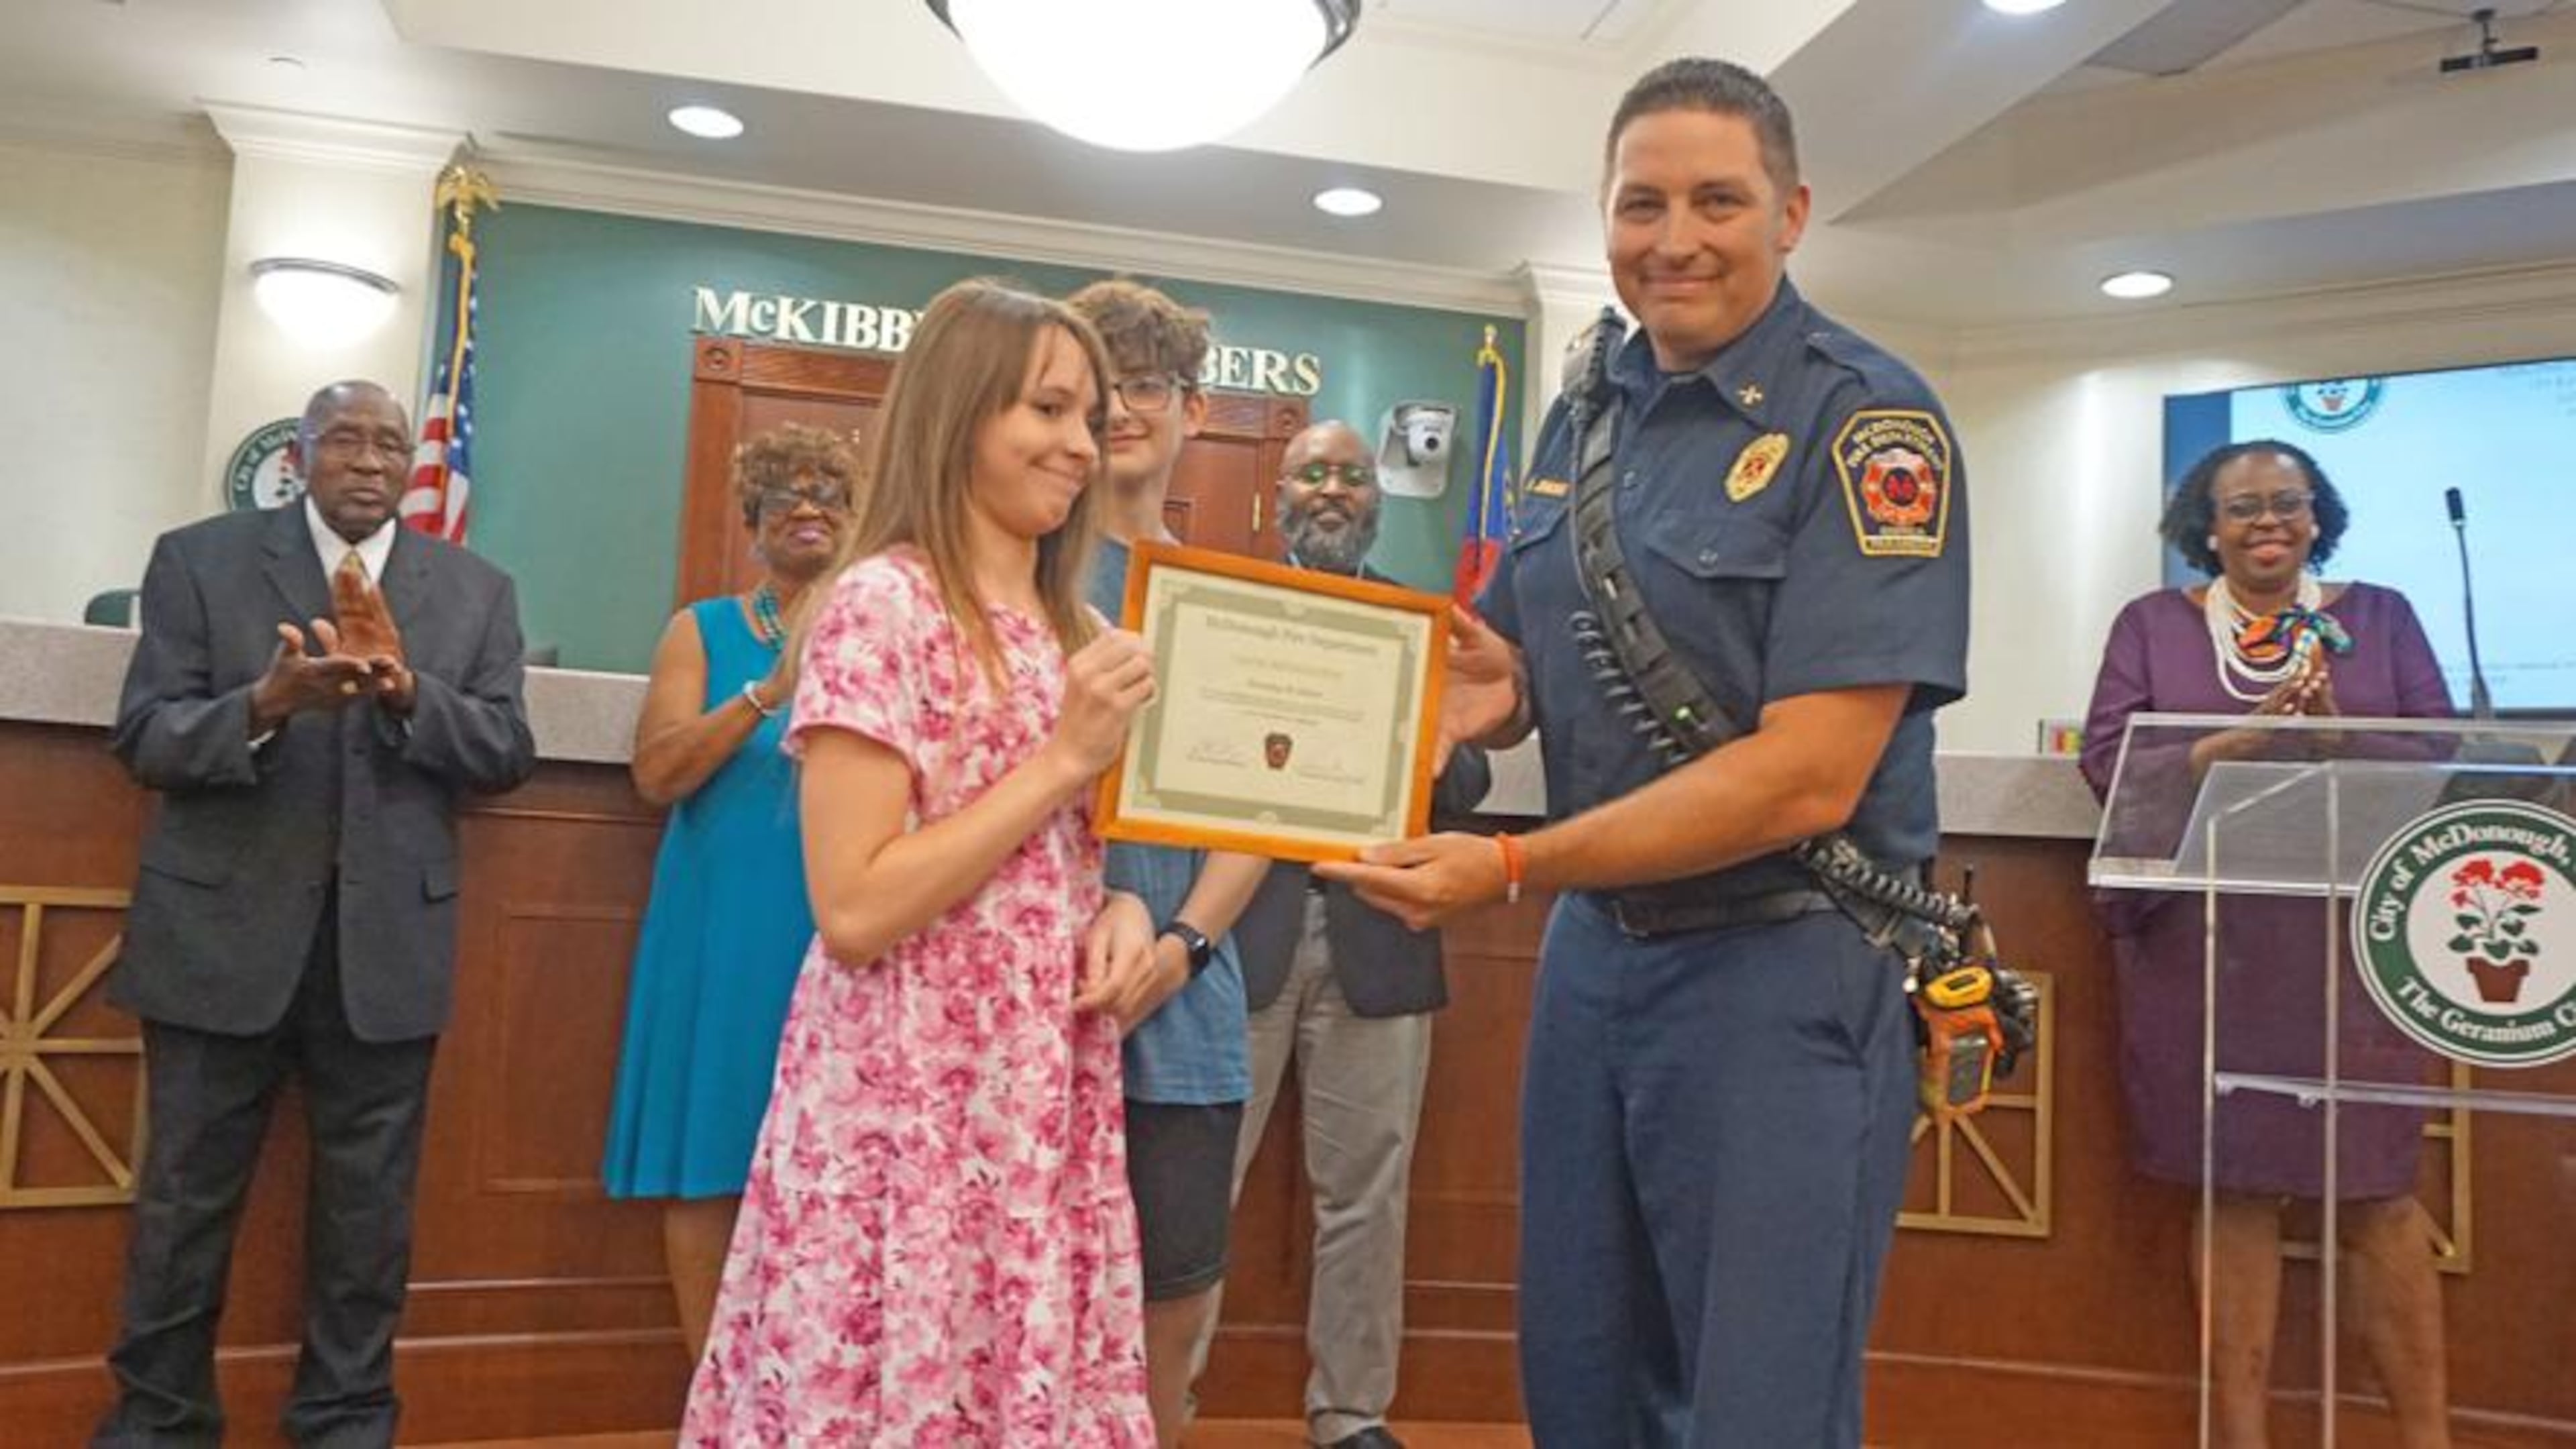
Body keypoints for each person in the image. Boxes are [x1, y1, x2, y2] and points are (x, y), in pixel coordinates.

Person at [1320, 58, 1971, 1447]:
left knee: (1757, 1407)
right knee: (1582, 1379)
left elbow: (1807, 773)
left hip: (1784, 967)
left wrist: (1513, 862)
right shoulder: (1585, 415)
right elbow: (1533, 664)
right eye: (1642, 203)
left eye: (1717, 201)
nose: (1674, 238)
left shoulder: (1868, 424)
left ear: (1791, 213)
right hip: (1600, 964)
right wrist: (1501, 690)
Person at [681, 279, 1168, 1446]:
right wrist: (1062, 759)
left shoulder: (1079, 632)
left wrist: (1122, 912)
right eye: (1047, 410)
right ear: (960, 415)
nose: (1080, 445)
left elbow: (1054, 857)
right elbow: (853, 906)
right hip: (907, 1086)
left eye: (1090, 417)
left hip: (1037, 1085)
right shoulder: (880, 605)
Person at [96, 379, 537, 1448]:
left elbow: (504, 753)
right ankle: (156, 1424)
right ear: (301, 455)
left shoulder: (475, 591)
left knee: (367, 1223)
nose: (373, 462)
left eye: (391, 445)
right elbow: (145, 738)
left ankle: (345, 1424)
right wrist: (262, 707)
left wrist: (407, 695)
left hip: (383, 953)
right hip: (218, 944)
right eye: (346, 440)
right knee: (182, 1210)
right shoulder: (197, 559)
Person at [2080, 439, 2455, 1449]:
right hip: (2207, 945)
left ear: (2317, 515)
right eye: (2241, 507)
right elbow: (2109, 760)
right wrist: (2222, 745)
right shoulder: (2154, 625)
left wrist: (2338, 737)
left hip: (2345, 951)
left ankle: (2428, 1437)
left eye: (2287, 502)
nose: (2267, 522)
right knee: (2233, 1183)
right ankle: (2239, 1437)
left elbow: (2440, 756)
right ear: (2206, 527)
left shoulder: (2379, 617)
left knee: (2377, 1190)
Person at [1197, 421, 1491, 1449]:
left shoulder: (1422, 622)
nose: (1331, 489)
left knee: (1368, 1191)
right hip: (1236, 938)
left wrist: (1433, 727)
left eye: (1350, 476)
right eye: (1312, 473)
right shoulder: (1226, 615)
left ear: (1376, 498)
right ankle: (1154, 1398)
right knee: (1197, 1181)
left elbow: (1467, 782)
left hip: (1380, 939)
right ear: (1278, 494)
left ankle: (1351, 1412)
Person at [1065, 276, 1272, 1448]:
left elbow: (1257, 815)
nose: (1122, 411)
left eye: (1146, 385)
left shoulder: (1229, 595)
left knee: (1174, 1298)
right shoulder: (1017, 576)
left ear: (1191, 406)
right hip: (1044, 991)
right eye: (1098, 389)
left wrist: (1189, 943)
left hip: (1189, 1010)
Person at [600, 423, 858, 1361]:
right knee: (711, 1165)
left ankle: (813, 1392)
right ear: (751, 520)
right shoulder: (701, 630)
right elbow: (657, 775)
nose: (807, 508)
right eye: (785, 493)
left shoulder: (883, 629)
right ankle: (716, 1397)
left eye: (828, 493)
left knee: (833, 1170)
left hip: (841, 927)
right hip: (719, 930)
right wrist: (764, 693)